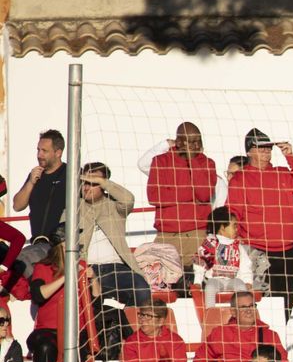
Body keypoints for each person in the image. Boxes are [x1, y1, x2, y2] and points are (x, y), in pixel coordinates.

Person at [228, 128, 293, 302]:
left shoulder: (282, 173)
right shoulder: (240, 179)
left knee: (286, 302)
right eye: (261, 147)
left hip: (288, 251)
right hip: (258, 252)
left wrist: (291, 157)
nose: (266, 151)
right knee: (265, 303)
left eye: (269, 147)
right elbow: (233, 214)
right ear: (249, 151)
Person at [195, 289, 291, 362]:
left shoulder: (269, 335)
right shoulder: (221, 334)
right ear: (233, 312)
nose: (249, 310)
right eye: (243, 307)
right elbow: (200, 358)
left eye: (252, 306)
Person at [144, 121, 220, 261]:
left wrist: (193, 161)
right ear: (179, 142)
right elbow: (154, 196)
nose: (196, 146)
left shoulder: (207, 163)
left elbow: (204, 195)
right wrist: (191, 193)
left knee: (197, 273)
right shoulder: (161, 161)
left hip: (197, 233)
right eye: (191, 142)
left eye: (199, 141)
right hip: (167, 235)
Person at [77, 162, 149, 308]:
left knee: (141, 289)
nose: (87, 187)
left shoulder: (114, 205)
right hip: (86, 268)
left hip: (117, 269)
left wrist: (103, 182)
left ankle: (132, 322)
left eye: (94, 183)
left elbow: (128, 199)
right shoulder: (74, 207)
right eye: (85, 182)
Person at [26, 241, 87, 362]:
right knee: (45, 346)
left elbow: (95, 298)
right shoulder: (43, 267)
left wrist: (93, 278)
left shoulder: (82, 266)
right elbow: (38, 295)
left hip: (76, 330)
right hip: (47, 330)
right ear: (58, 248)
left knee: (78, 347)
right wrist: (67, 276)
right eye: (67, 246)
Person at [12, 129, 68, 243]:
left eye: (44, 151)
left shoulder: (70, 174)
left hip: (62, 244)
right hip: (38, 242)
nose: (39, 155)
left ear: (58, 153)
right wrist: (30, 182)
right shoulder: (35, 175)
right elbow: (17, 206)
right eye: (38, 150)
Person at [120, 302, 187, 362]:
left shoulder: (175, 340)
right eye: (141, 315)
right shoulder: (132, 342)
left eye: (148, 316)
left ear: (161, 321)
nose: (143, 320)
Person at [195, 205, 253, 307]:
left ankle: (242, 309)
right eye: (234, 226)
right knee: (209, 288)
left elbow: (246, 265)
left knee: (241, 286)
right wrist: (197, 282)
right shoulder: (211, 243)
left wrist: (248, 281)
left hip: (233, 280)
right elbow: (200, 263)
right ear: (222, 228)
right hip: (214, 280)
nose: (237, 229)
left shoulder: (237, 245)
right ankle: (210, 312)